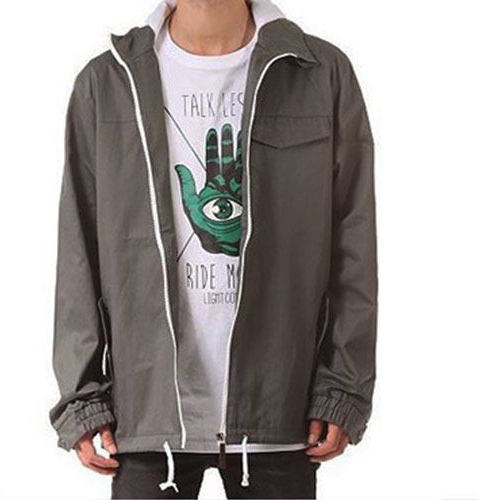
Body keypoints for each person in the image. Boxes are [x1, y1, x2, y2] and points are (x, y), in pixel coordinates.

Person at [50, 0, 377, 498]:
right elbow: (78, 247)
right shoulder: (106, 82)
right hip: (145, 417)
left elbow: (354, 242)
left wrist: (343, 387)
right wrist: (82, 397)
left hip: (283, 411)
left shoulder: (319, 74)